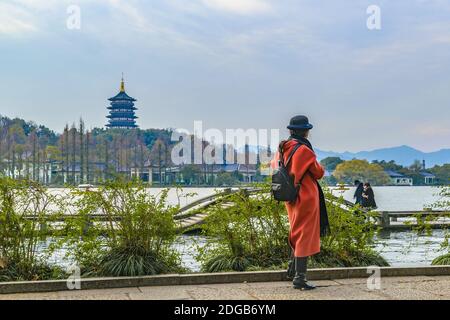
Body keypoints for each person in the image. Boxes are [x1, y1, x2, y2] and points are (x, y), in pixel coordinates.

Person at [273, 115, 329, 290]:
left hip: (290, 195)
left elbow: (277, 167)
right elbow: (318, 172)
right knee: (304, 234)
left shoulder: (282, 148)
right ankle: (300, 277)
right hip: (305, 195)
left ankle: (292, 270)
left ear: (291, 130)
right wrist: (321, 167)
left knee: (296, 230)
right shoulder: (304, 150)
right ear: (306, 131)